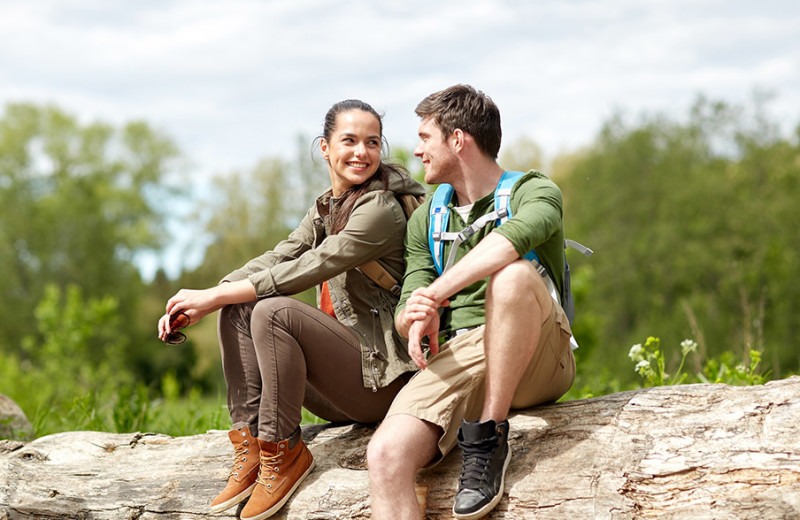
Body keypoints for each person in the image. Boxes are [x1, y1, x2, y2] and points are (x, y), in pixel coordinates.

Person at [158, 99, 425, 520]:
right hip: (347, 384)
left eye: (372, 142)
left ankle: (283, 453)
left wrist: (214, 298)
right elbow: (280, 255)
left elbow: (309, 267)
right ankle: (252, 445)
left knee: (273, 312)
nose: (361, 152)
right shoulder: (326, 207)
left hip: (386, 384)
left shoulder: (380, 210)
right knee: (239, 307)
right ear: (324, 147)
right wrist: (211, 294)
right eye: (349, 141)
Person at [366, 85, 576, 520]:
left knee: (514, 275)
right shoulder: (427, 217)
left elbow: (509, 243)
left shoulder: (534, 191)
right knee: (385, 457)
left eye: (426, 137)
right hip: (460, 355)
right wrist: (414, 317)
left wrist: (437, 293)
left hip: (538, 353)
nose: (418, 150)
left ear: (457, 139)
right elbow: (410, 303)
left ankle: (489, 436)